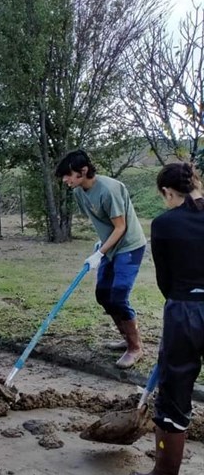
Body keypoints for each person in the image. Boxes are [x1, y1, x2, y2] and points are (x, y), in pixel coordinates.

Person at [128, 162, 204, 475]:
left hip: (185, 310)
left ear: (168, 192)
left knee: (174, 393)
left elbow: (165, 280)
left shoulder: (164, 224)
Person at [55, 150, 147, 369]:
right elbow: (102, 221)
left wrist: (99, 253)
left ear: (83, 170)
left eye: (68, 175)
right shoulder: (79, 192)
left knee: (119, 295)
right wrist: (102, 243)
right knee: (103, 294)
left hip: (129, 246)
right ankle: (126, 338)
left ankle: (135, 348)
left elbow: (120, 227)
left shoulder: (109, 190)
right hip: (110, 247)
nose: (65, 180)